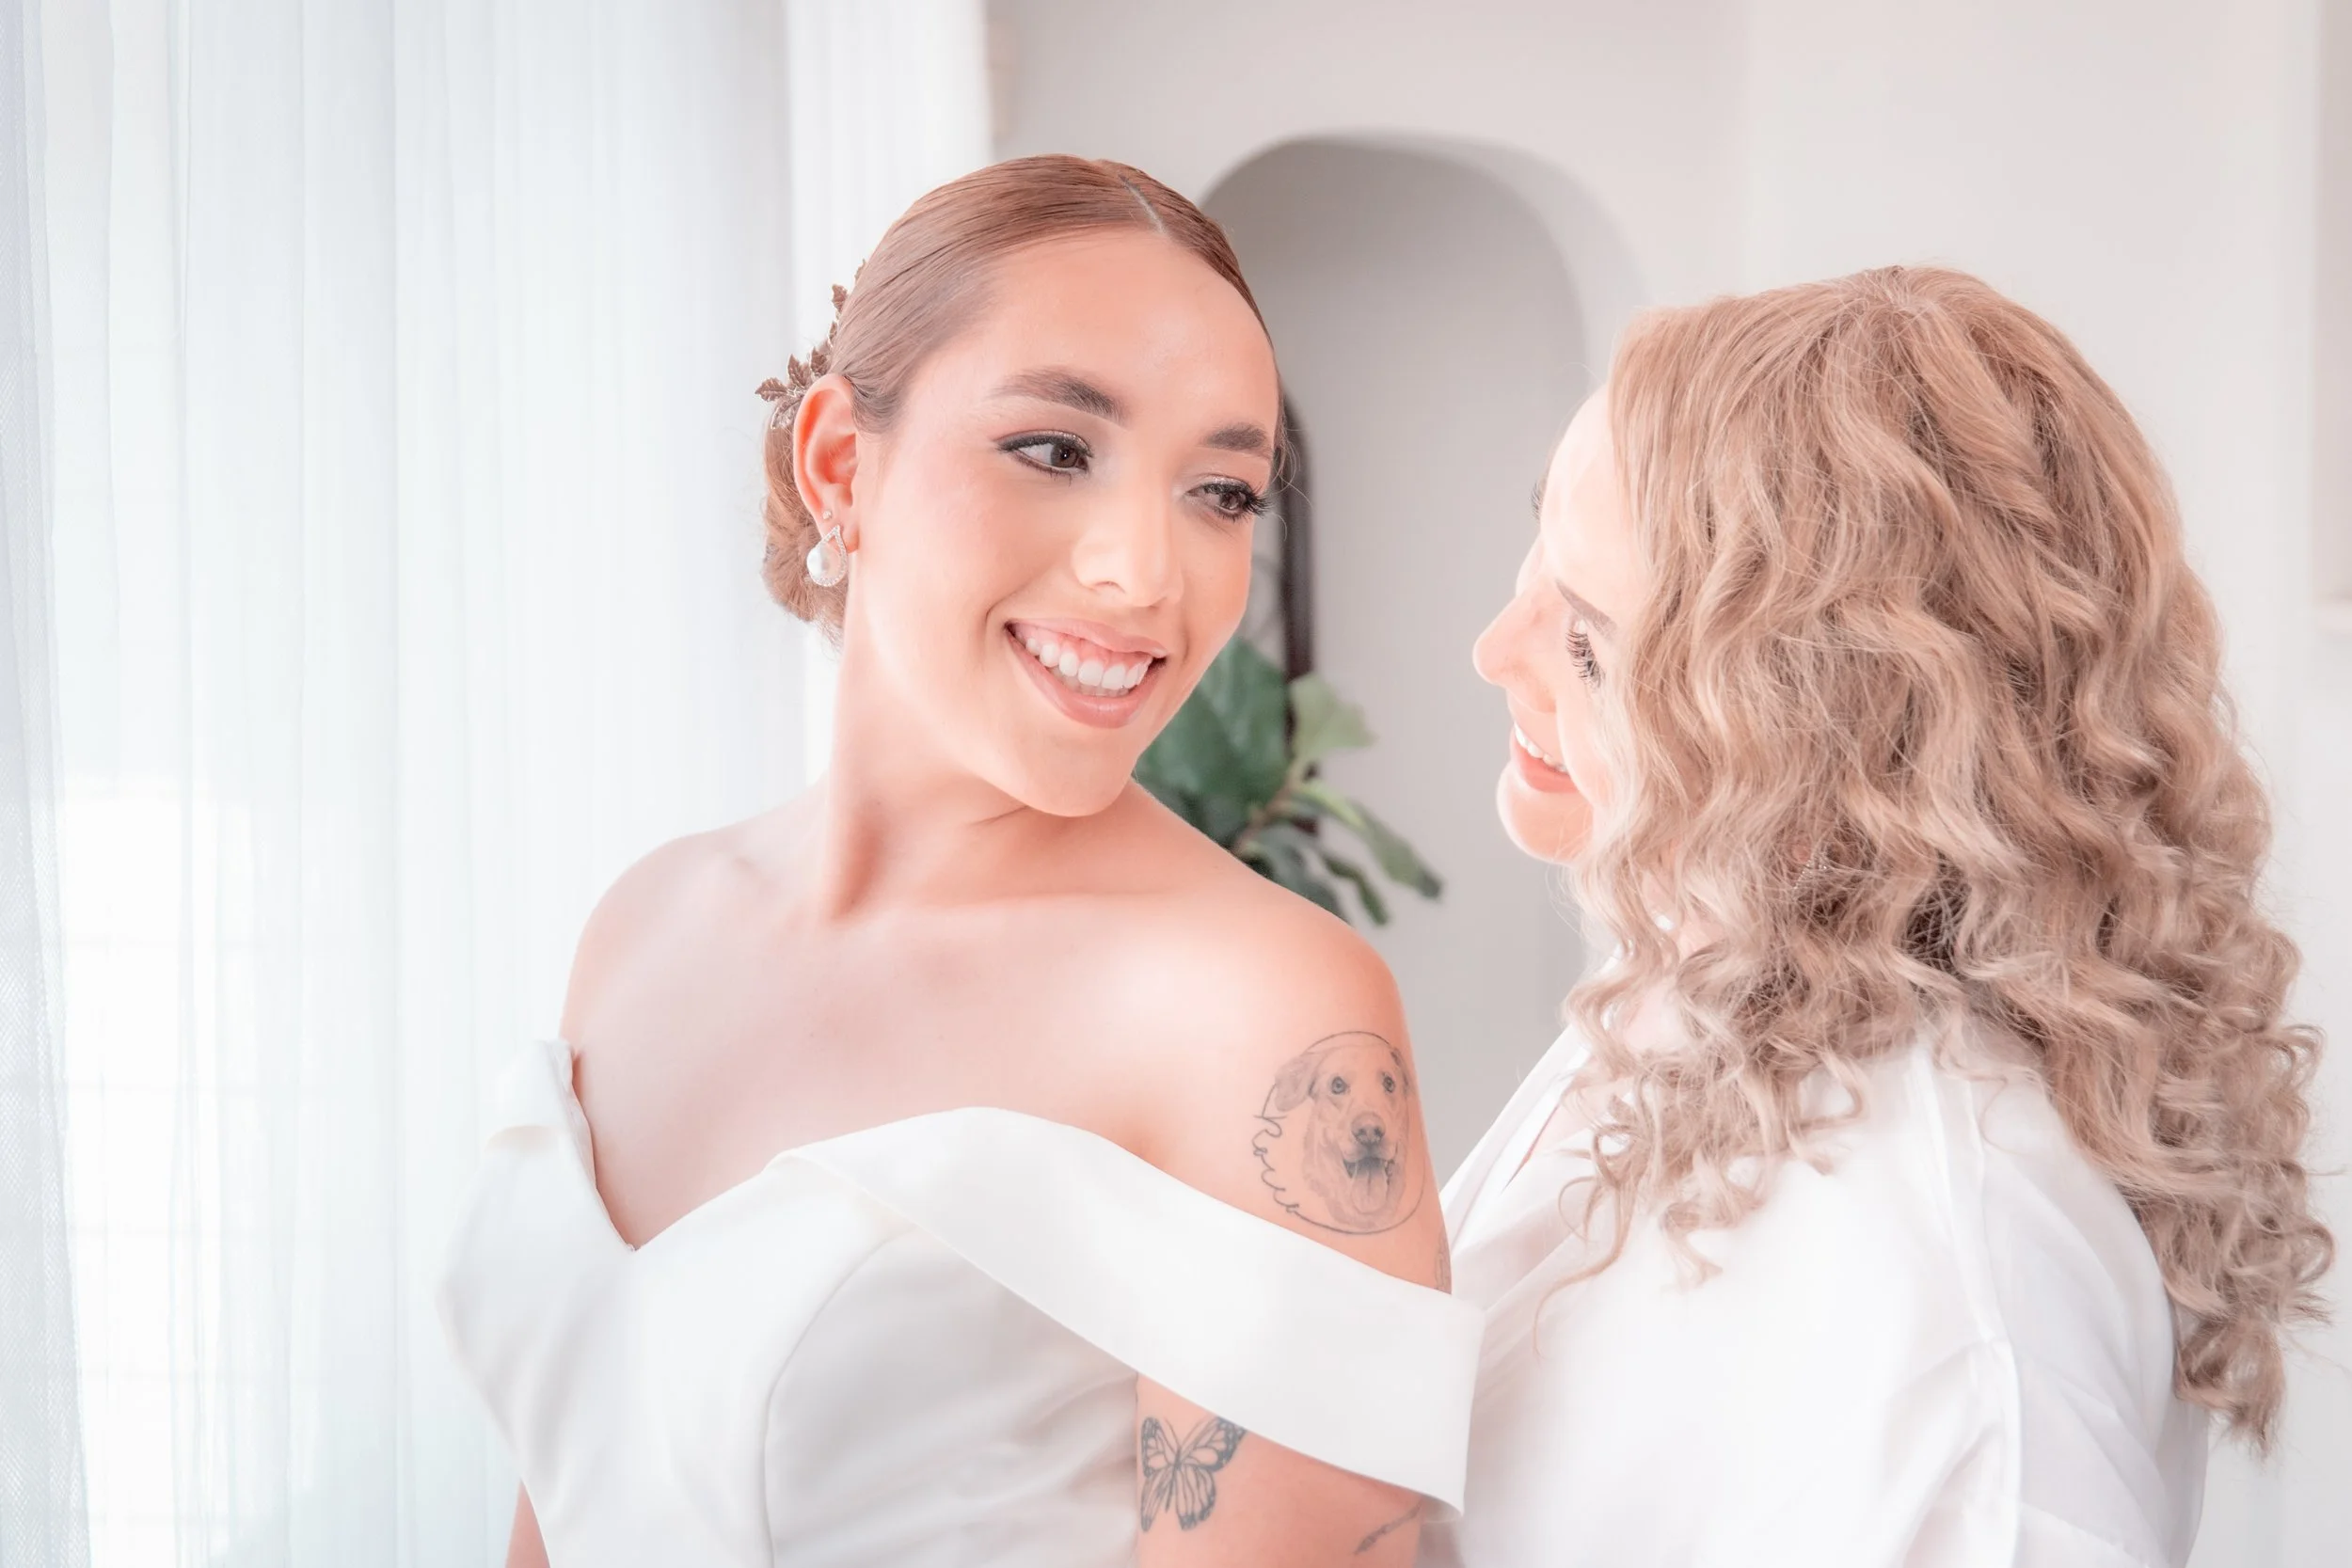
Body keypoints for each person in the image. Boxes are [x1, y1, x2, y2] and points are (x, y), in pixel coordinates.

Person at [437, 155, 1476, 1568]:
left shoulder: (1257, 1005)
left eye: (1222, 492)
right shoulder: (646, 922)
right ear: (837, 465)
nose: (1144, 574)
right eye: (1056, 449)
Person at [1422, 267, 2332, 1568]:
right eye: (1537, 555)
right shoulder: (1728, 988)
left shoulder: (1955, 1296)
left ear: (1822, 750)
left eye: (1586, 645)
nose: (1491, 648)